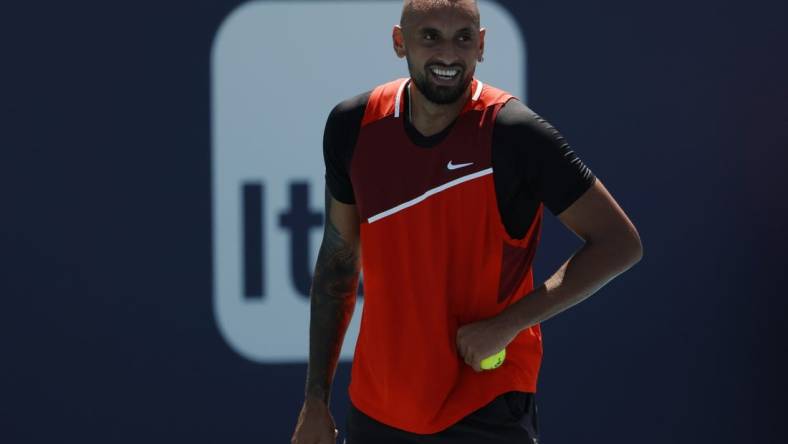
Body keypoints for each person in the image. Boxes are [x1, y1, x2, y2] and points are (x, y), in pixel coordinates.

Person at [291, 1, 643, 443]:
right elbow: (339, 259)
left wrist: (508, 324)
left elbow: (619, 242)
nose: (448, 54)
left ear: (481, 44)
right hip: (377, 406)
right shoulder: (352, 126)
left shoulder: (516, 133)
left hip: (487, 404)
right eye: (430, 37)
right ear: (400, 42)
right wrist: (316, 400)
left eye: (463, 38)